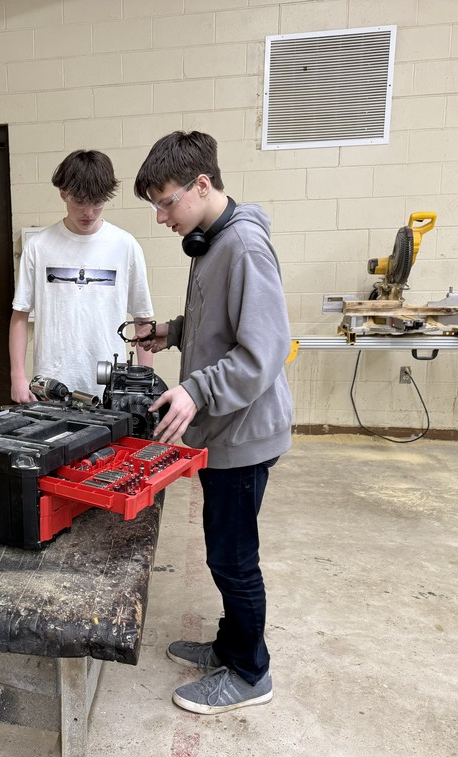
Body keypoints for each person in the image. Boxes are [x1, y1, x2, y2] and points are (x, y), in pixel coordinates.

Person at [132, 131, 293, 715]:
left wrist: (195, 389)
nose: (160, 216)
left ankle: (252, 673)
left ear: (202, 185)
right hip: (226, 426)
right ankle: (230, 645)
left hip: (244, 433)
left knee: (232, 556)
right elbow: (215, 323)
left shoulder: (243, 247)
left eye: (166, 201)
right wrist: (170, 333)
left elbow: (263, 351)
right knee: (225, 547)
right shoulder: (211, 241)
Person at [10, 150, 154, 402]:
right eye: (79, 201)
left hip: (110, 385)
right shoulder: (39, 246)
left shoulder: (125, 245)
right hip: (51, 383)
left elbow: (143, 320)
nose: (88, 212)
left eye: (97, 202)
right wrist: (17, 377)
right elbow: (19, 316)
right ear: (63, 193)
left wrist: (144, 383)